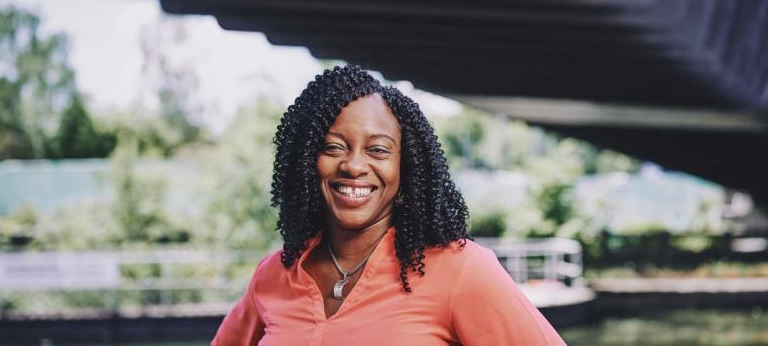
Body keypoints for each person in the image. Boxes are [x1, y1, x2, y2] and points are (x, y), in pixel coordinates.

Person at [212, 65, 566, 345]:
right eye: (333, 147)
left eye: (378, 150)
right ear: (306, 162)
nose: (353, 165)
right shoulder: (274, 275)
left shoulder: (462, 270)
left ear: (405, 168)